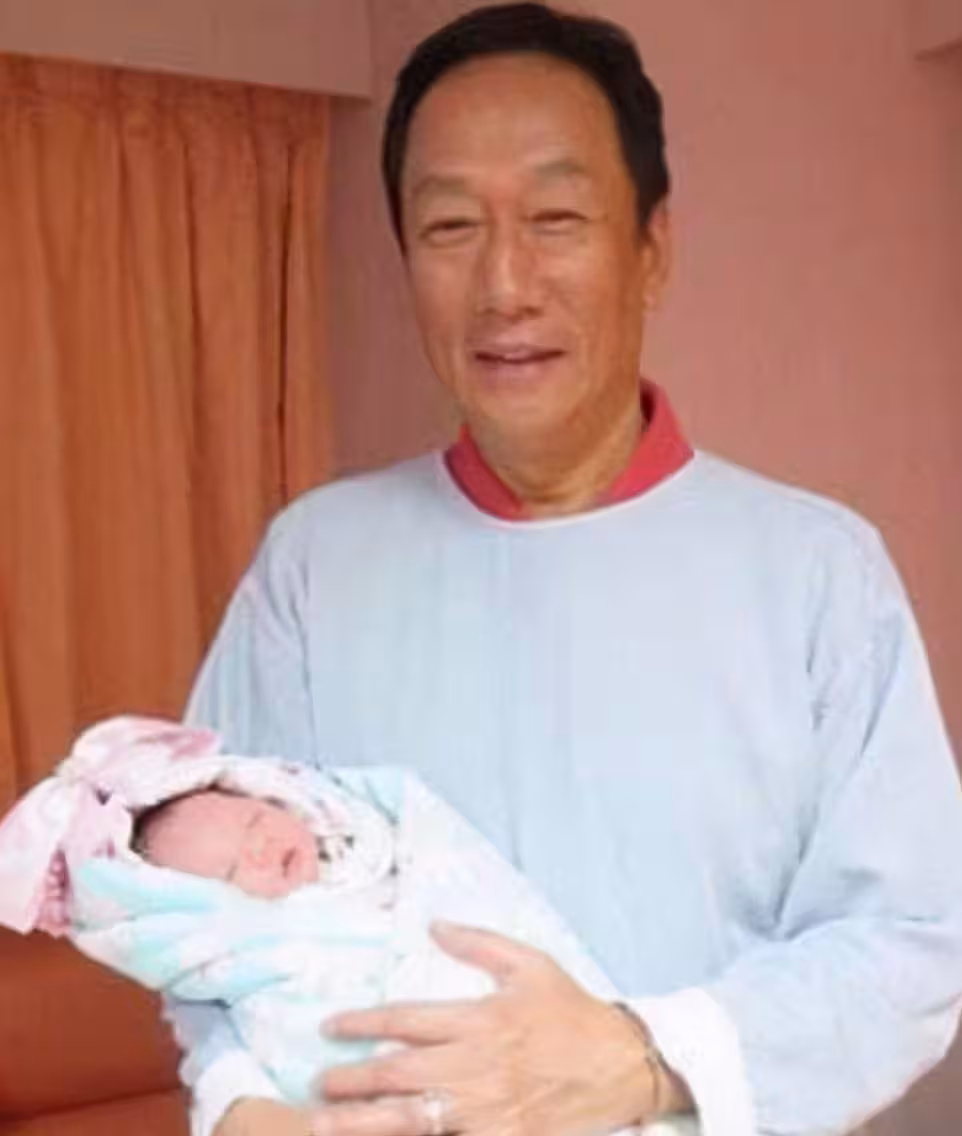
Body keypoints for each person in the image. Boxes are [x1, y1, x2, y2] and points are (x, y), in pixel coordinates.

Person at [172, 4, 962, 1136]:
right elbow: (199, 911)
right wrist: (236, 1102)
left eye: (555, 217)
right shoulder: (314, 565)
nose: (504, 282)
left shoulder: (816, 574)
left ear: (651, 249)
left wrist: (640, 1054)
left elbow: (911, 944)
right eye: (450, 226)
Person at [0, 715, 683, 1134]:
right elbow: (246, 1034)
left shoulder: (381, 842)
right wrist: (238, 1103)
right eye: (237, 868)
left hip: (575, 1058)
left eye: (257, 820)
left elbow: (469, 887)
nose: (264, 847)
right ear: (206, 915)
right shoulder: (252, 955)